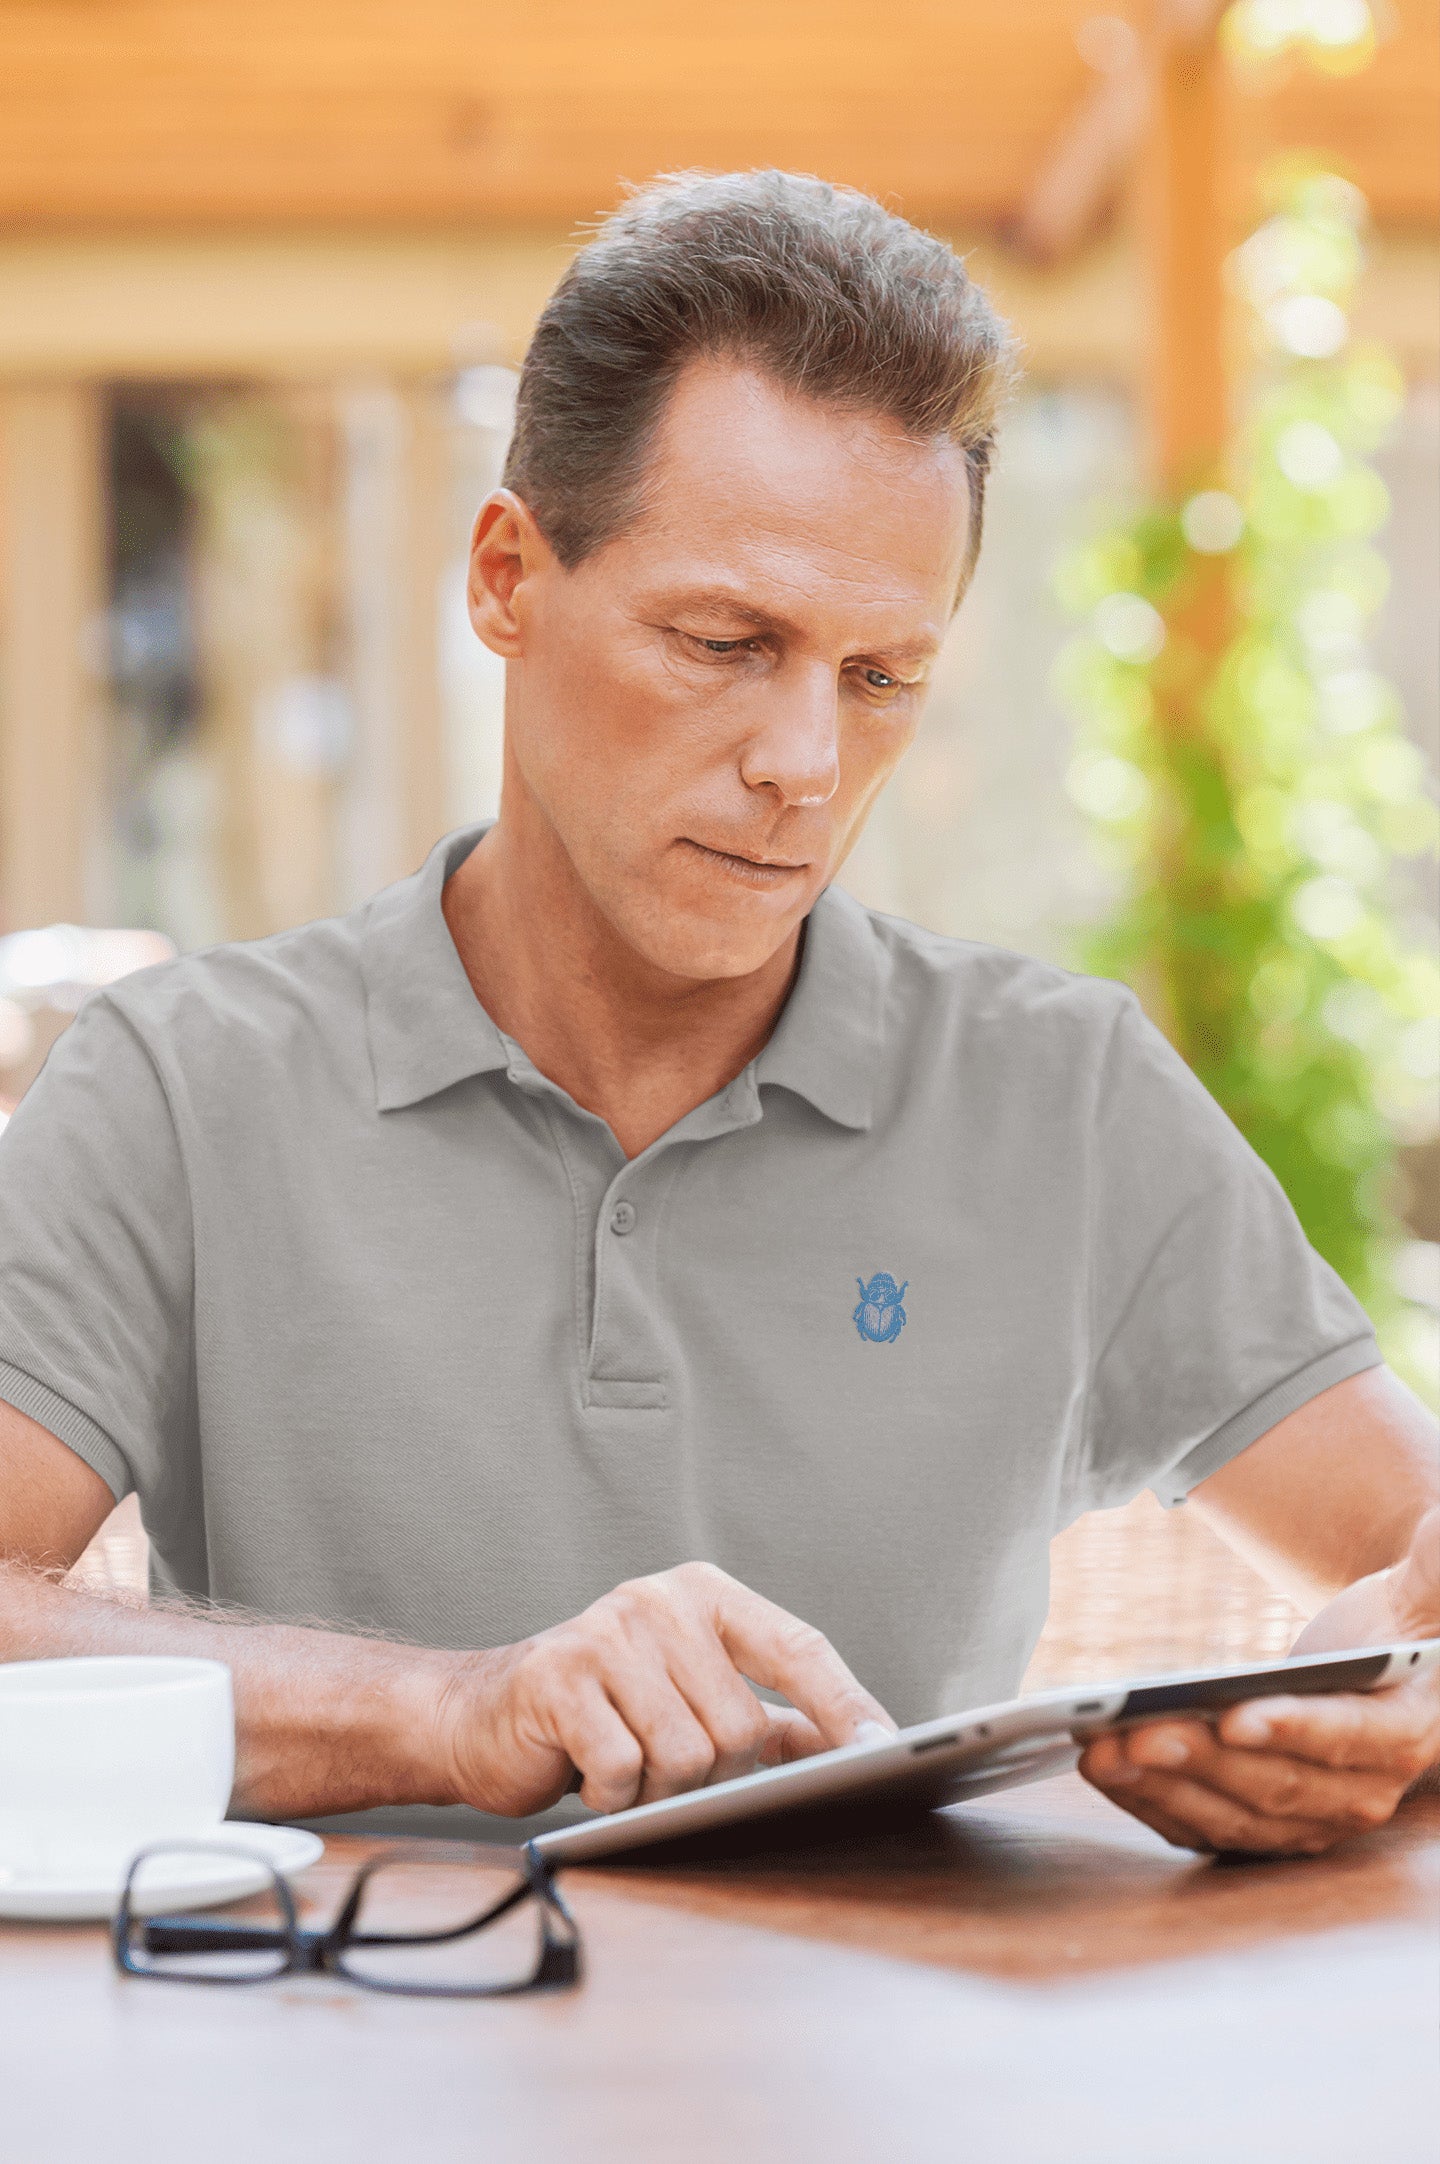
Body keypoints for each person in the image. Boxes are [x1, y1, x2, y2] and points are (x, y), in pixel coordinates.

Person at [1, 171, 1436, 1857]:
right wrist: (455, 1712)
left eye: (880, 676)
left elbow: (1418, 1561)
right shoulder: (180, 1092)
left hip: (902, 2031)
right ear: (506, 579)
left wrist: (1389, 1694)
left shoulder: (1063, 1099)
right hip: (356, 2023)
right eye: (725, 640)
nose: (805, 765)